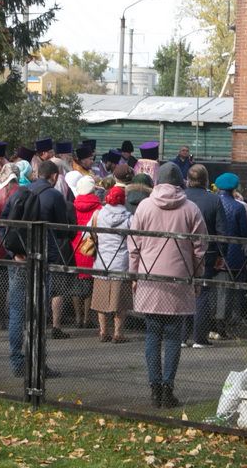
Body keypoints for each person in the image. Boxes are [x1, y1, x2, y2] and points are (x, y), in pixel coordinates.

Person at [129, 162, 206, 408]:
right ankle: (167, 388)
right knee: (173, 338)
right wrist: (196, 277)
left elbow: (134, 245)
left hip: (150, 277)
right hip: (179, 279)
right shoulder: (191, 209)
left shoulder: (144, 206)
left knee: (152, 336)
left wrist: (134, 275)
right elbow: (200, 249)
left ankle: (154, 388)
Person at [1, 159, 73, 378]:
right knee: (39, 314)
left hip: (19, 259)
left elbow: (4, 222)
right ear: (54, 177)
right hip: (41, 258)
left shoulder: (19, 192)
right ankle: (37, 363)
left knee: (17, 311)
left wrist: (14, 252)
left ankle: (17, 361)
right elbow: (63, 230)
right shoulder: (54, 196)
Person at [181, 164, 223, 347]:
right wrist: (223, 254)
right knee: (203, 294)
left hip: (181, 252)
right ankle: (199, 338)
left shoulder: (181, 198)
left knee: (183, 292)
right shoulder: (214, 200)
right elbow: (222, 231)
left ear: (188, 180)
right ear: (206, 180)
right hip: (208, 252)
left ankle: (181, 337)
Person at [90, 184, 133, 343]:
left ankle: (103, 332)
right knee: (120, 302)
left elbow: (88, 231)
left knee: (101, 300)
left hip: (101, 262)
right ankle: (118, 334)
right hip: (120, 263)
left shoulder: (98, 215)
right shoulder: (129, 218)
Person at [214, 172, 247, 336]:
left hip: (215, 251)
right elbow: (244, 233)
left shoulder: (213, 202)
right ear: (234, 188)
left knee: (215, 288)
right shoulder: (238, 207)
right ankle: (227, 324)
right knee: (232, 290)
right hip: (233, 254)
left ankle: (213, 323)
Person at [71, 175, 103, 331]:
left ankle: (77, 317)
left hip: (75, 247)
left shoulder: (72, 205)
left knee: (76, 285)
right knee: (89, 285)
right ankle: (87, 318)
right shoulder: (99, 207)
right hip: (90, 249)